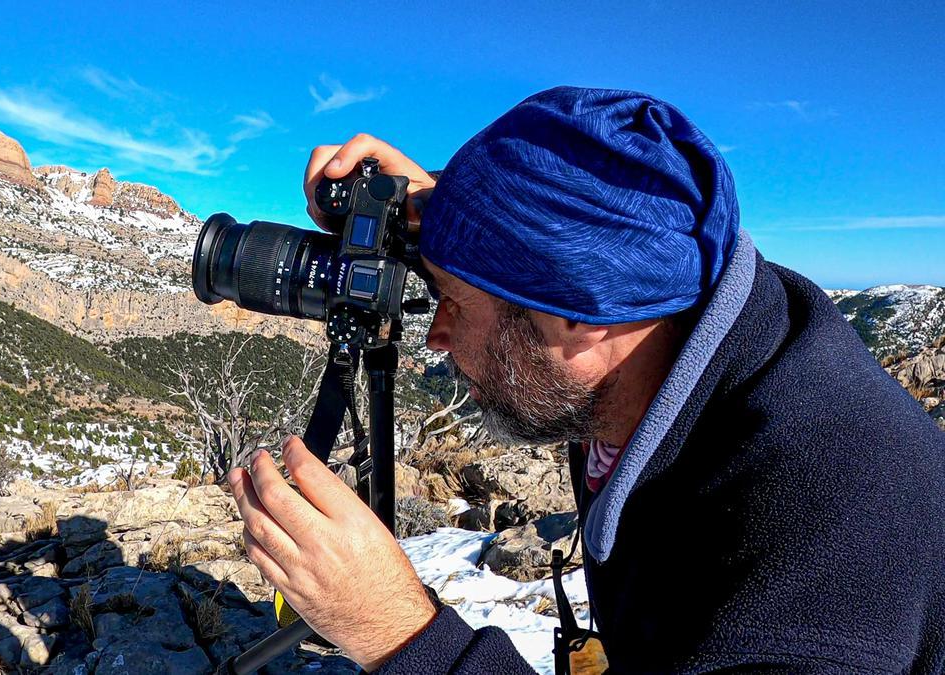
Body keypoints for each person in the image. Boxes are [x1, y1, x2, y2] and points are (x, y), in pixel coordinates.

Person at [225, 87, 945, 673]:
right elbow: (609, 216)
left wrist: (402, 634)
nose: (436, 333)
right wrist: (438, 206)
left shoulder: (824, 535)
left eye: (453, 299)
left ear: (583, 316)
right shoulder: (678, 296)